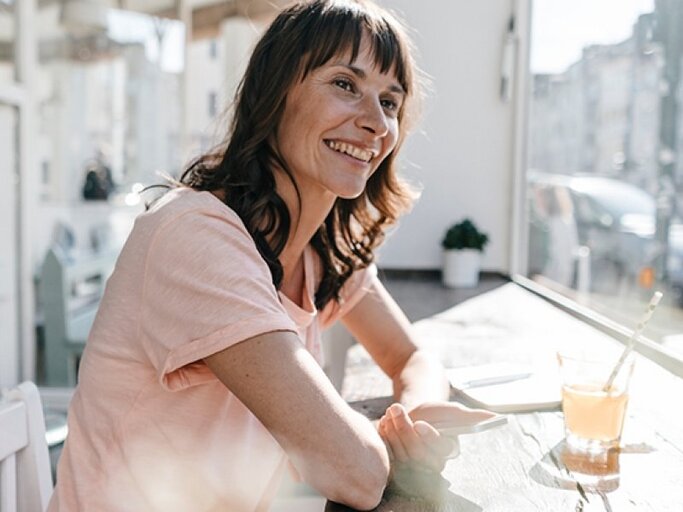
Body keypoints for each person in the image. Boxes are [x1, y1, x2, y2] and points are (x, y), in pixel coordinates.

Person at [48, 1, 494, 511]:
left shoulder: (321, 250)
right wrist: (383, 445)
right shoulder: (197, 238)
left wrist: (411, 422)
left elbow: (411, 357)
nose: (375, 123)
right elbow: (356, 472)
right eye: (345, 85)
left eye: (390, 102)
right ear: (275, 95)